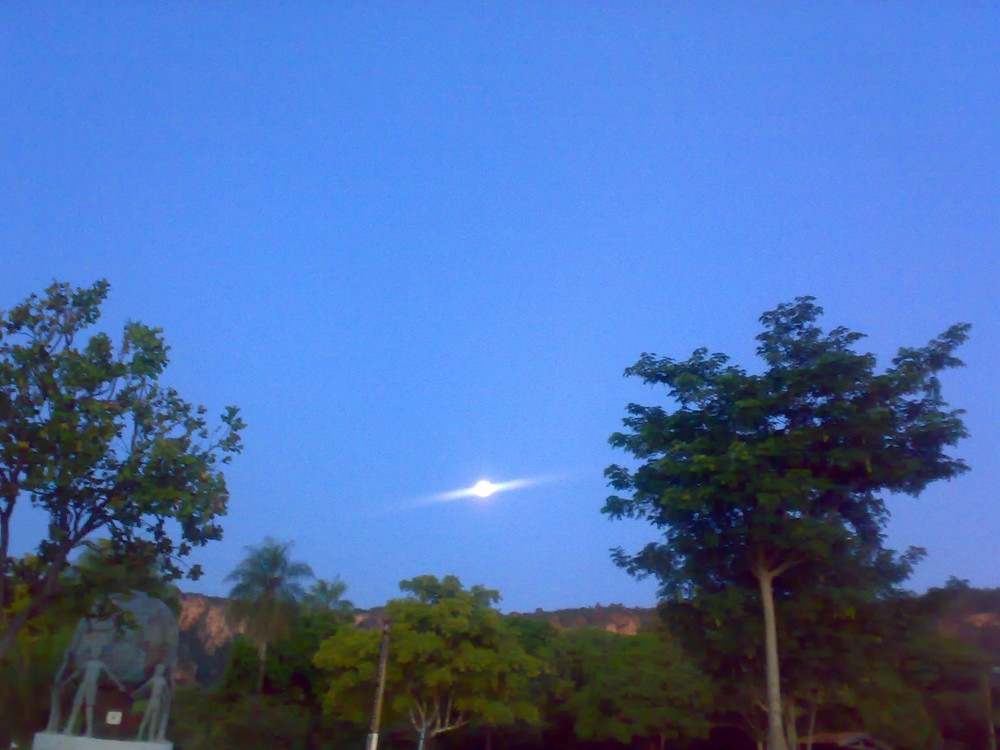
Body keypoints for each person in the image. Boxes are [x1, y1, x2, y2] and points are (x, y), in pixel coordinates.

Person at [62, 637, 126, 737]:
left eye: (97, 650)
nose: (95, 652)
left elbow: (110, 675)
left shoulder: (100, 664)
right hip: (84, 685)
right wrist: (67, 681)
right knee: (76, 705)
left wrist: (120, 685)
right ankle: (69, 727)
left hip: (92, 686)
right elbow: (77, 673)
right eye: (93, 650)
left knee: (89, 707)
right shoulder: (88, 663)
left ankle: (89, 731)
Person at [133, 663, 171, 741]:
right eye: (159, 669)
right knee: (146, 718)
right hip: (152, 700)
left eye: (162, 669)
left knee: (154, 720)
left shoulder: (163, 680)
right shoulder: (154, 679)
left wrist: (166, 698)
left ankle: (151, 736)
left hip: (158, 701)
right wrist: (136, 692)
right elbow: (144, 687)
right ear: (157, 670)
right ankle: (139, 736)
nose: (161, 671)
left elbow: (166, 692)